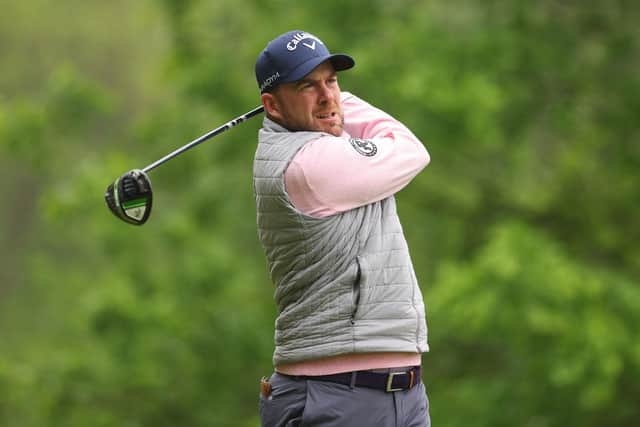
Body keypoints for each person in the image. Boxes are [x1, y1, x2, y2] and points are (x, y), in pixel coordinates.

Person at [253, 30, 431, 427]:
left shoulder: (318, 139)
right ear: (272, 105)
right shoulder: (308, 165)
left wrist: (322, 103)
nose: (327, 95)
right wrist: (341, 103)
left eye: (332, 81)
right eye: (307, 86)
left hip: (400, 394)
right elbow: (411, 149)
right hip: (338, 398)